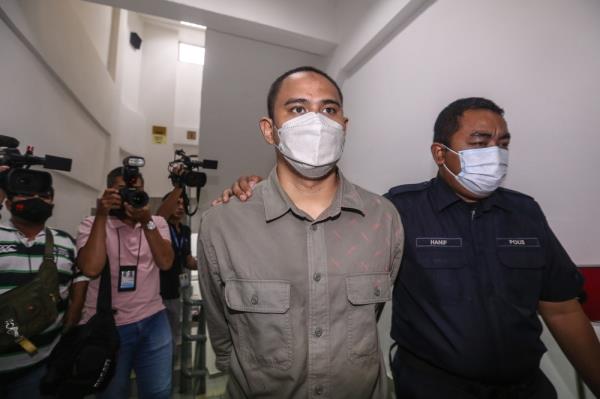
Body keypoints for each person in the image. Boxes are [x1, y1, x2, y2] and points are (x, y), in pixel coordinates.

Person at [222, 97, 600, 398]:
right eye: (480, 142)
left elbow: (564, 311)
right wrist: (263, 192)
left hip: (526, 387)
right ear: (440, 154)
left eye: (503, 144)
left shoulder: (525, 211)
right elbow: (320, 234)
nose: (495, 154)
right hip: (434, 388)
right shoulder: (398, 210)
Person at [198, 66, 404, 398]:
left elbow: (372, 315)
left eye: (329, 109)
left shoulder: (382, 219)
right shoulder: (223, 224)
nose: (317, 122)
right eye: (297, 109)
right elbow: (221, 326)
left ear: (343, 126)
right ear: (270, 130)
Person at [76, 166, 174, 399]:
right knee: (112, 394)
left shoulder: (156, 223)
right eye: (123, 191)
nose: (130, 197)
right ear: (109, 192)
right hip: (109, 326)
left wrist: (147, 221)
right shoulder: (92, 223)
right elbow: (90, 267)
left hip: (153, 321)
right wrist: (102, 214)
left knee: (159, 392)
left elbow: (166, 262)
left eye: (136, 190)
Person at [0, 171, 88, 399]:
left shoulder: (65, 241)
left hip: (39, 365)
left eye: (45, 195)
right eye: (27, 194)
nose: (37, 199)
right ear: (8, 202)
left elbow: (80, 276)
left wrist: (75, 309)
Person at [156, 187, 197, 356]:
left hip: (177, 288)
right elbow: (158, 216)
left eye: (183, 204)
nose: (180, 207)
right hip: (158, 290)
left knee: (173, 334)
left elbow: (187, 258)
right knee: (159, 336)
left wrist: (206, 264)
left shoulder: (185, 230)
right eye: (176, 203)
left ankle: (168, 369)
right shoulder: (159, 227)